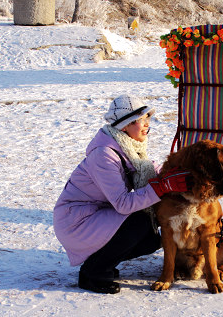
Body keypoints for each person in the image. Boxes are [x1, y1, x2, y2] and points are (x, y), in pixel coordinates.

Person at [53, 95, 191, 294]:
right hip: (76, 222)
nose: (146, 125)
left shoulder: (129, 149)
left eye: (148, 119)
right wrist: (162, 188)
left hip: (96, 215)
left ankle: (103, 262)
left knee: (151, 240)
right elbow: (123, 204)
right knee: (140, 223)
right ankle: (93, 272)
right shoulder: (104, 155)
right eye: (140, 121)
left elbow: (154, 169)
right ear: (124, 125)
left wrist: (177, 174)